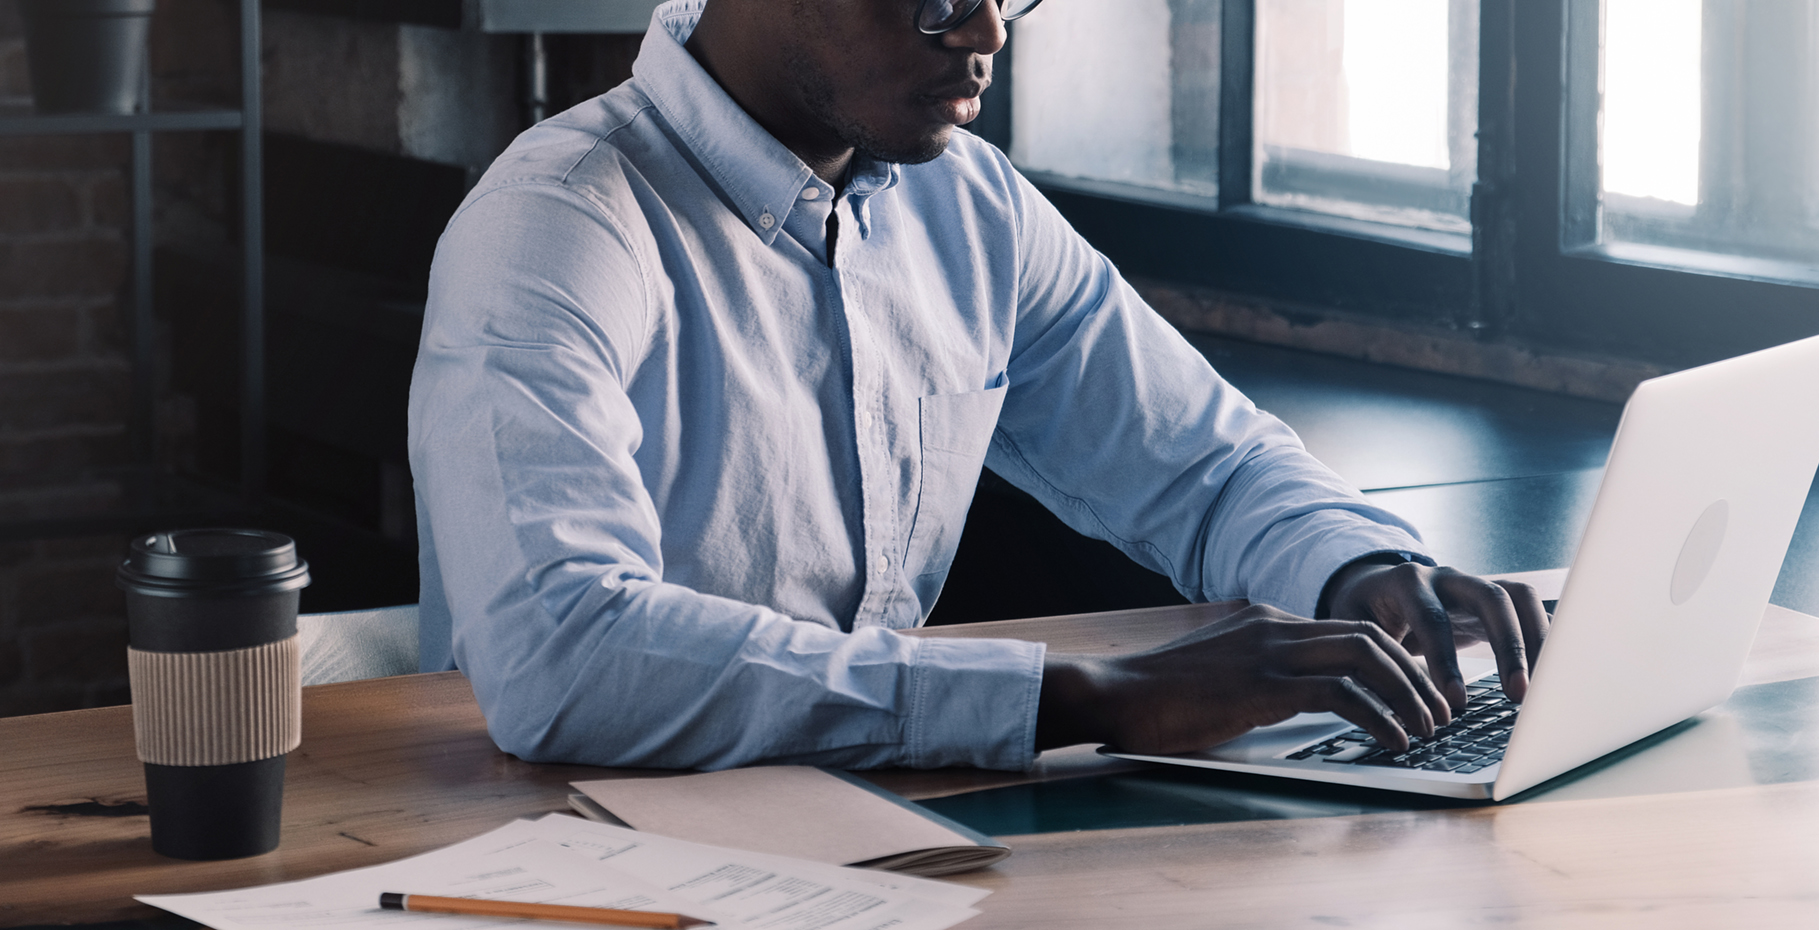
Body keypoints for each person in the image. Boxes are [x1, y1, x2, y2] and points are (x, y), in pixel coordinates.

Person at [408, 0, 1548, 771]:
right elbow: (562, 652)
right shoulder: (559, 222)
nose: (987, 32)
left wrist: (1358, 572)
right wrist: (1081, 698)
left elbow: (1203, 467)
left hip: (873, 826)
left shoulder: (969, 208)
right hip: (579, 848)